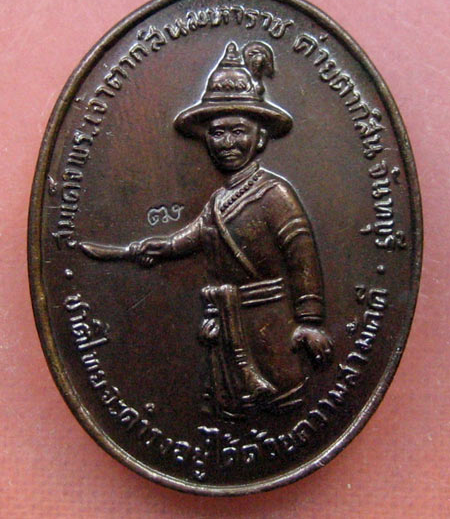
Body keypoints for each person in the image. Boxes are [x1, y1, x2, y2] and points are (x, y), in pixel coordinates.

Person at [82, 41, 333, 419]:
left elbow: (303, 257)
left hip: (268, 323)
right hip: (227, 323)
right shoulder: (219, 200)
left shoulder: (275, 194)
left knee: (282, 404)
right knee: (230, 408)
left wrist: (309, 321)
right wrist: (159, 246)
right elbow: (197, 235)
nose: (227, 143)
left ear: (260, 137)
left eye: (238, 131)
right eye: (217, 133)